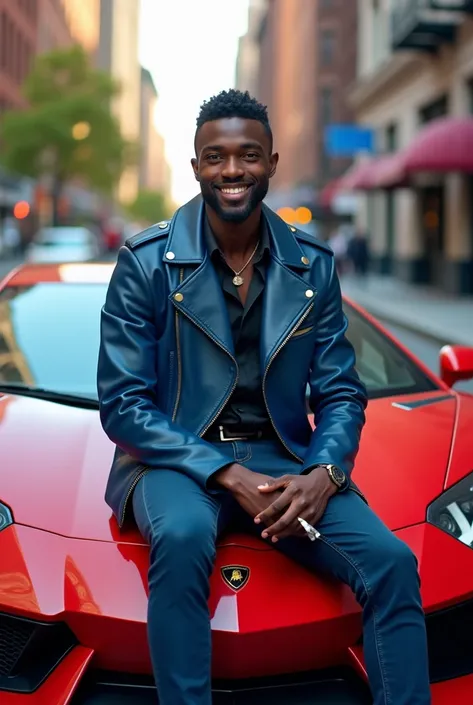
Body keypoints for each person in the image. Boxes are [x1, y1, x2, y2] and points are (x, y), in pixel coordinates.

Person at [97, 89, 431, 705]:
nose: (232, 171)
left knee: (392, 562)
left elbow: (340, 392)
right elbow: (123, 404)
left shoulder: (314, 266)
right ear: (195, 165)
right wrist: (224, 472)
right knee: (182, 536)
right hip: (175, 457)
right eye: (215, 157)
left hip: (283, 458)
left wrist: (325, 472)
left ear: (272, 162)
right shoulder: (145, 263)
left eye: (248, 155)